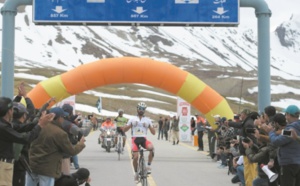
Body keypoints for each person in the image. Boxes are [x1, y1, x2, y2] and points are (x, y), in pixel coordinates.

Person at [26, 107, 86, 186]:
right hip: (47, 169)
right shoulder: (60, 133)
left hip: (32, 165)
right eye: (63, 117)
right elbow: (71, 151)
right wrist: (81, 144)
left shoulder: (39, 127)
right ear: (59, 118)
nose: (63, 120)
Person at [0, 97, 53, 186]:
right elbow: (25, 138)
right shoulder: (3, 127)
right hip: (3, 165)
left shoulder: (4, 125)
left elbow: (21, 127)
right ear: (9, 111)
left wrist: (39, 122)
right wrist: (40, 125)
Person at [265, 105, 300, 186]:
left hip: (288, 164)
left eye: (285, 114)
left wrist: (271, 132)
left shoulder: (291, 129)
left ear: (288, 114)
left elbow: (276, 141)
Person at [123, 102, 155, 183]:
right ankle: (136, 173)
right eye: (140, 108)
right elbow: (125, 129)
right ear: (137, 109)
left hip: (143, 139)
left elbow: (154, 132)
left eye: (143, 109)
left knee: (151, 148)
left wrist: (149, 126)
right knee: (136, 157)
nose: (141, 110)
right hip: (135, 139)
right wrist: (131, 125)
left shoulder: (147, 120)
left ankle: (148, 166)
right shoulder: (132, 119)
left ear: (144, 110)